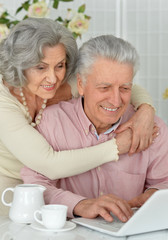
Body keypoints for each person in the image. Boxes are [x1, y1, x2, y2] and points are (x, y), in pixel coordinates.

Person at [0, 18, 156, 215]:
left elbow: (122, 85)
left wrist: (146, 110)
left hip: (53, 184)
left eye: (60, 65)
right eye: (40, 67)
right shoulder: (3, 103)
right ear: (20, 66)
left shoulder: (67, 83)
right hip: (11, 182)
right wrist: (116, 147)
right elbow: (50, 164)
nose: (53, 78)